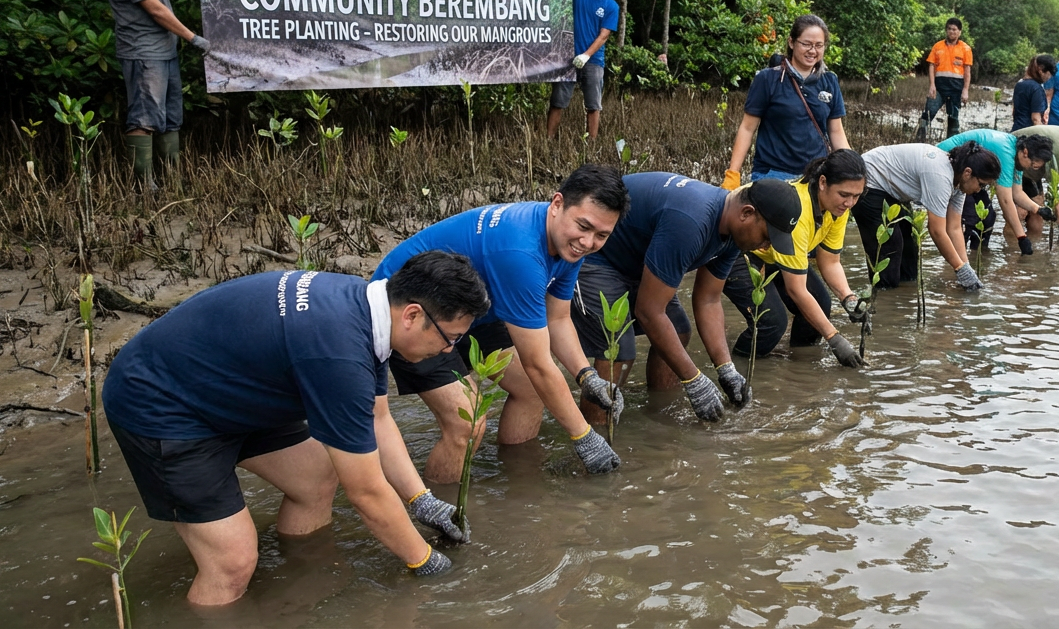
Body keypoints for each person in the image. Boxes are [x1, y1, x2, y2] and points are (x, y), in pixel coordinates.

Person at [102, 252, 490, 605]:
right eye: (450, 338)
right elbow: (367, 492)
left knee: (315, 478)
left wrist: (420, 499)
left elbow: (377, 418)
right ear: (412, 315)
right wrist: (423, 560)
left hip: (231, 388)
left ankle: (299, 582)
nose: (447, 351)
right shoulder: (339, 353)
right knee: (232, 564)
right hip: (160, 403)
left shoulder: (368, 309)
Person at [371, 166, 630, 478]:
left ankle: (518, 485)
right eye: (584, 227)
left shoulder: (567, 243)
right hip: (414, 312)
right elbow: (538, 364)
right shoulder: (521, 253)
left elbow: (558, 317)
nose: (587, 242)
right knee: (467, 423)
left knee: (531, 391)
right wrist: (583, 436)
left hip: (473, 309)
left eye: (601, 235)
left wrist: (586, 376)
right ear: (557, 204)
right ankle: (440, 510)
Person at [571, 174, 801, 420]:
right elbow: (649, 312)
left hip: (638, 263)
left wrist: (726, 369)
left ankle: (660, 415)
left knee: (679, 330)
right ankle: (593, 433)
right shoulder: (692, 221)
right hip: (596, 256)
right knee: (619, 349)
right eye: (766, 237)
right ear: (746, 213)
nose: (765, 247)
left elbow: (709, 300)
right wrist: (695, 380)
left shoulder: (733, 232)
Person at [723, 150, 868, 369]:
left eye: (856, 196)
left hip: (774, 252)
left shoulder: (837, 209)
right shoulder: (799, 211)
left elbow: (830, 261)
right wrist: (835, 339)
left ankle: (799, 367)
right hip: (741, 246)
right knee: (771, 322)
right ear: (822, 182)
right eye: (844, 195)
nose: (850, 203)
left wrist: (849, 299)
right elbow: (796, 290)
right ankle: (737, 366)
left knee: (821, 303)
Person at [104, 0, 208, 191]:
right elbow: (153, 8)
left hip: (165, 50)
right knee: (144, 118)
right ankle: (145, 189)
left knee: (170, 118)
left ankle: (172, 183)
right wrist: (193, 37)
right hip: (142, 51)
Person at [722, 15, 850, 189]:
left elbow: (836, 131)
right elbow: (747, 128)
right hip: (774, 175)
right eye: (806, 44)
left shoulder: (830, 80)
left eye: (819, 45)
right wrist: (733, 174)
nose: (813, 51)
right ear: (791, 42)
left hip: (816, 176)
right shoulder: (767, 79)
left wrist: (851, 169)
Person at [855, 142, 1001, 292]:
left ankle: (902, 301)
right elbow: (937, 231)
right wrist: (959, 268)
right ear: (968, 173)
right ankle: (885, 299)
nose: (979, 190)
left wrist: (966, 267)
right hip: (869, 181)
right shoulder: (940, 176)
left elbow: (954, 228)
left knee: (910, 247)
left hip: (893, 190)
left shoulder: (959, 184)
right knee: (890, 246)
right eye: (982, 184)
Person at [937, 129, 1055, 255]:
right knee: (971, 218)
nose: (1030, 168)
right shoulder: (1006, 153)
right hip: (945, 166)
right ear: (1026, 152)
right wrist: (1022, 237)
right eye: (1033, 165)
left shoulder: (1018, 156)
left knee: (988, 218)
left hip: (971, 175)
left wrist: (1038, 209)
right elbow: (1005, 200)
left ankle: (976, 257)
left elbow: (1017, 193)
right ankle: (956, 262)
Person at [547, 0, 619, 140]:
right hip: (567, 56)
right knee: (558, 102)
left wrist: (586, 55)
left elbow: (604, 35)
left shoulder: (612, 7)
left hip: (593, 61)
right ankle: (548, 139)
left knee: (593, 105)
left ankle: (592, 144)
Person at [925, 17, 975, 139]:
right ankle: (918, 140)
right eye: (949, 29)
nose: (952, 32)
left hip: (956, 88)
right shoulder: (938, 46)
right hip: (939, 87)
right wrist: (932, 85)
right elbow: (931, 66)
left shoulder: (965, 49)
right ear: (946, 30)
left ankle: (951, 147)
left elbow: (967, 71)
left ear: (959, 32)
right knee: (927, 113)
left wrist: (965, 90)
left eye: (954, 29)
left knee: (953, 118)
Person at [1011, 54, 1056, 131]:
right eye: (1049, 74)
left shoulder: (1020, 83)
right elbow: (1035, 118)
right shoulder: (1037, 89)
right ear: (1041, 70)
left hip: (1016, 128)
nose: (1048, 78)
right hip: (1028, 131)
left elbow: (1014, 111)